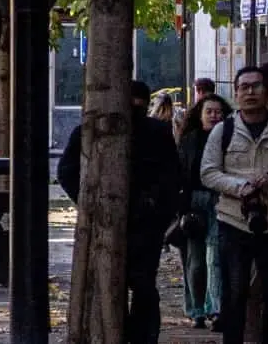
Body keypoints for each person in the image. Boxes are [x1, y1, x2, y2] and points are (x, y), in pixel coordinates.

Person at [58, 80, 183, 343]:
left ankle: (140, 335)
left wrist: (155, 208)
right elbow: (67, 173)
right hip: (110, 220)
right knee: (122, 282)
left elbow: (172, 177)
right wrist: (90, 204)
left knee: (142, 284)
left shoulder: (157, 132)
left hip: (144, 223)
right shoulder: (88, 131)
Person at [200, 65, 268, 344]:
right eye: (244, 87)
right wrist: (240, 187)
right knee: (235, 293)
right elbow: (208, 172)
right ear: (236, 93)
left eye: (256, 86)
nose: (250, 92)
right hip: (234, 222)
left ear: (266, 91)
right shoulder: (223, 130)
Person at [178, 93, 234, 330]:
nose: (214, 116)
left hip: (222, 199)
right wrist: (181, 206)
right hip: (195, 202)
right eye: (209, 111)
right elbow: (181, 173)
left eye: (218, 112)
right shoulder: (189, 140)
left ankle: (216, 308)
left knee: (216, 258)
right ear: (200, 115)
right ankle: (196, 310)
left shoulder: (230, 138)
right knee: (196, 260)